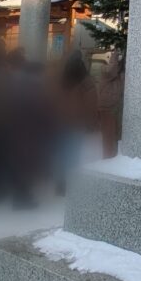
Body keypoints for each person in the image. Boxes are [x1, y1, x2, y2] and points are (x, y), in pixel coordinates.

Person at [52, 51, 97, 193]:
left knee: (62, 153)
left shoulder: (61, 80)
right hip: (77, 123)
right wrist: (92, 123)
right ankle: (70, 183)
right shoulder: (86, 82)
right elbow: (91, 104)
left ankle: (60, 183)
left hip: (61, 121)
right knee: (73, 154)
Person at [96, 51, 125, 159]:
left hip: (115, 108)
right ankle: (107, 158)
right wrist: (115, 55)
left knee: (114, 137)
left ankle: (111, 157)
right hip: (106, 109)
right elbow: (111, 70)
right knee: (108, 137)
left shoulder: (121, 76)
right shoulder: (105, 70)